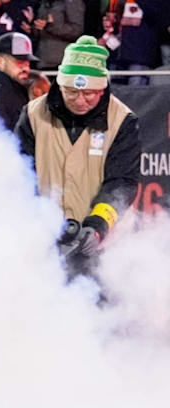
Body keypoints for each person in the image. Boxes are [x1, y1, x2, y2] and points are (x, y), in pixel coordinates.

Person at [15, 34, 140, 277]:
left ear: (102, 88)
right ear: (60, 85)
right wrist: (39, 220)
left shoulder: (123, 120)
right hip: (45, 242)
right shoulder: (32, 115)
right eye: (71, 92)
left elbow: (122, 182)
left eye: (90, 94)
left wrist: (98, 226)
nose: (80, 100)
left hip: (105, 246)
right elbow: (19, 173)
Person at [0, 32, 37, 131]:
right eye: (20, 62)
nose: (26, 68)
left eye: (27, 63)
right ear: (0, 62)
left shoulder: (16, 89)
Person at [32, 0, 84, 69]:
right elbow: (40, 28)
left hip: (61, 62)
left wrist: (50, 27)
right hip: (42, 60)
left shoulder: (72, 2)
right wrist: (33, 28)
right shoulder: (44, 3)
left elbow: (76, 30)